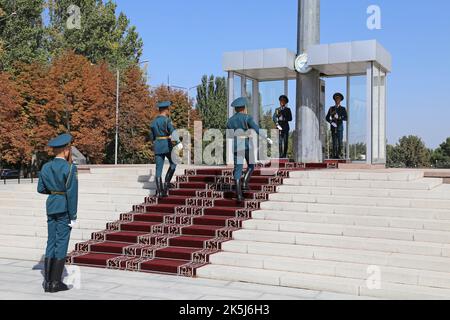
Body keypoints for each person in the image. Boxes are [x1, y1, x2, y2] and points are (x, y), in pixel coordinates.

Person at [37, 133, 78, 293]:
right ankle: (55, 283)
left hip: (51, 205)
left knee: (51, 241)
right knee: (61, 243)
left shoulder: (46, 167)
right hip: (63, 208)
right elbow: (72, 194)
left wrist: (54, 191)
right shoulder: (69, 168)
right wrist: (73, 216)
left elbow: (41, 188)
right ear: (66, 150)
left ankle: (47, 282)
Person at [227, 97, 273, 202]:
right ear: (243, 108)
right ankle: (244, 183)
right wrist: (266, 137)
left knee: (238, 169)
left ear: (236, 109)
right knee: (251, 165)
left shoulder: (230, 121)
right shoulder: (247, 117)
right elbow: (257, 129)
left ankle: (239, 196)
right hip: (247, 145)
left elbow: (230, 135)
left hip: (236, 146)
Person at [149, 101, 182, 198]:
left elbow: (152, 136)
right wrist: (178, 143)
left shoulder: (153, 122)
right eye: (168, 109)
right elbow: (173, 131)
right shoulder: (166, 120)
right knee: (173, 163)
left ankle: (159, 191)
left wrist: (155, 143)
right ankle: (165, 187)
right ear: (166, 110)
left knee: (158, 169)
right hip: (166, 145)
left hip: (158, 146)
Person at [326, 93, 348, 159]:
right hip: (333, 127)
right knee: (334, 142)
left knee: (340, 142)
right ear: (334, 100)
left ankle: (339, 154)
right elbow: (327, 117)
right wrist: (331, 122)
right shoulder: (331, 108)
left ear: (340, 100)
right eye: (336, 99)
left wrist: (339, 117)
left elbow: (346, 118)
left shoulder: (343, 109)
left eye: (338, 99)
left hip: (339, 127)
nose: (337, 100)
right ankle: (334, 155)